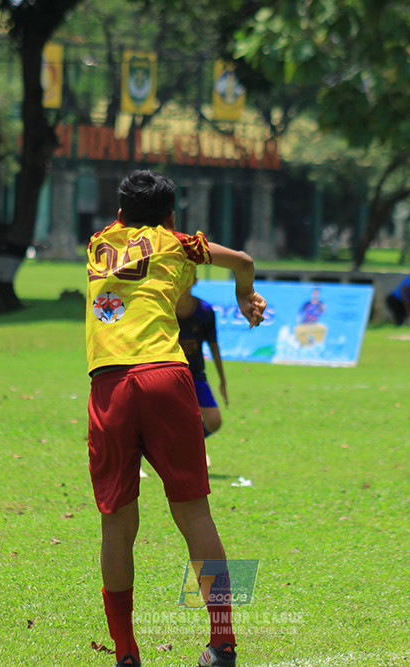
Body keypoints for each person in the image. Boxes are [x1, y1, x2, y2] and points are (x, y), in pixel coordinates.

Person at [85, 170, 266, 667]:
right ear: (171, 215)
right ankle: (223, 642)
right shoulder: (179, 243)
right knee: (195, 513)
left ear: (120, 213)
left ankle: (125, 652)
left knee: (116, 523)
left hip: (110, 384)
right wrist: (243, 294)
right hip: (167, 376)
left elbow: (127, 230)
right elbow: (244, 261)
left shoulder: (99, 242)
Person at [176, 274, 228, 465]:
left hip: (195, 374)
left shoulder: (205, 311)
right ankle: (138, 460)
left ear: (195, 281)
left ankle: (188, 445)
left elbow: (213, 344)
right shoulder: (164, 309)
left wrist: (223, 379)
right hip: (169, 374)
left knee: (214, 421)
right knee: (158, 420)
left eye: (188, 276)